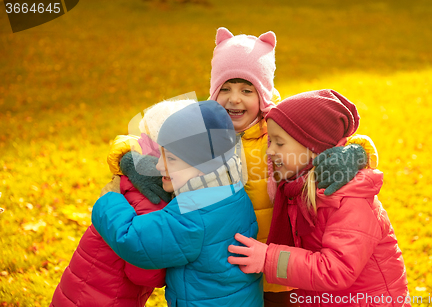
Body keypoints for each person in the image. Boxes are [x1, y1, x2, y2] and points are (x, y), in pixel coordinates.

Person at [104, 27, 375, 306]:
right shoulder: (201, 129)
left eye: (247, 90)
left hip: (283, 267)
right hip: (224, 269)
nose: (234, 99)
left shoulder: (280, 132)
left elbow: (326, 138)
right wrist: (129, 157)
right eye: (226, 88)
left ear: (264, 94)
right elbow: (150, 138)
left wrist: (356, 152)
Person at [228, 89, 410, 307]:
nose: (270, 152)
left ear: (312, 148)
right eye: (269, 143)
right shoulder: (297, 188)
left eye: (279, 143)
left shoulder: (348, 198)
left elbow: (337, 270)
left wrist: (269, 259)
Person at [92, 100, 263, 307]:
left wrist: (108, 200)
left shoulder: (193, 212)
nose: (159, 165)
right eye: (161, 153)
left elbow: (133, 241)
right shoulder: (233, 189)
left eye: (171, 159)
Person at [50, 136, 170, 305]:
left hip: (77, 286)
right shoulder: (154, 201)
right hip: (110, 296)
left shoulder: (125, 182)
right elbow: (143, 273)